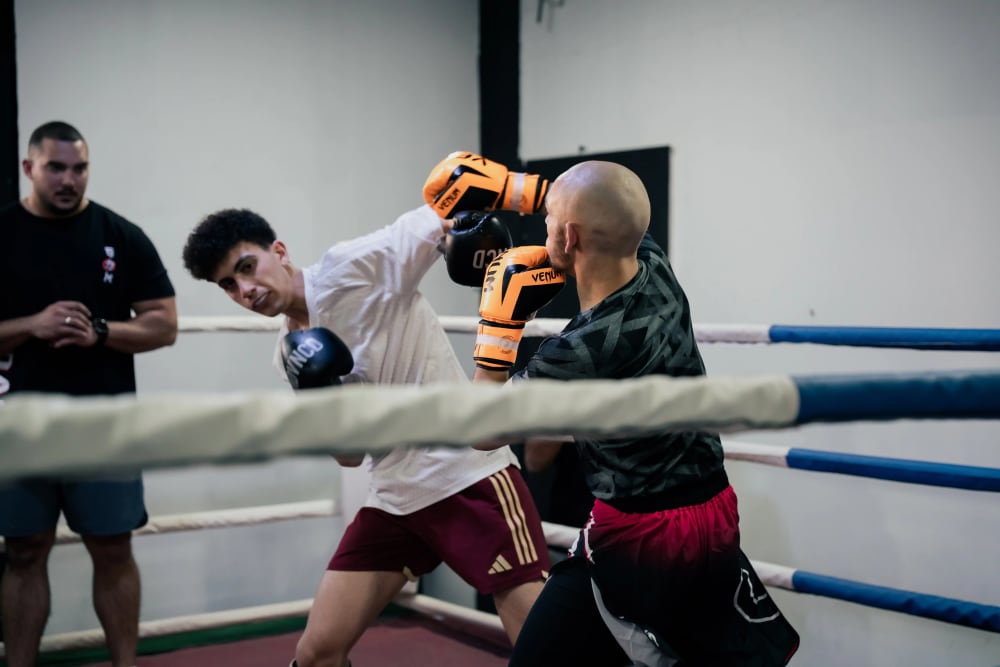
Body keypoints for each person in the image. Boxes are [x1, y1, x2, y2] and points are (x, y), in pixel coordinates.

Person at [423, 152, 800, 666]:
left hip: (645, 535)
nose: (545, 226)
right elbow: (613, 209)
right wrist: (518, 190)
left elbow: (481, 430)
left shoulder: (582, 351)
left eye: (551, 221)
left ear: (571, 238)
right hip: (709, 509)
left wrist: (496, 331)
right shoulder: (654, 268)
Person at [181, 204, 549, 667]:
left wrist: (500, 213)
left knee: (542, 647)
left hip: (465, 478)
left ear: (279, 251)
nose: (246, 290)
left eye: (247, 268)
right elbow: (350, 457)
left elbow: (440, 219)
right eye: (229, 286)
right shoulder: (287, 354)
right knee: (316, 654)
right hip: (394, 498)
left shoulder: (347, 268)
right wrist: (321, 392)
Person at [0, 121, 178, 667]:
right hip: (20, 427)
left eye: (79, 168)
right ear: (30, 168)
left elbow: (163, 324)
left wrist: (99, 331)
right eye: (56, 167)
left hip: (104, 425)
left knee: (113, 548)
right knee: (25, 552)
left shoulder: (120, 236)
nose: (69, 179)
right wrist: (33, 324)